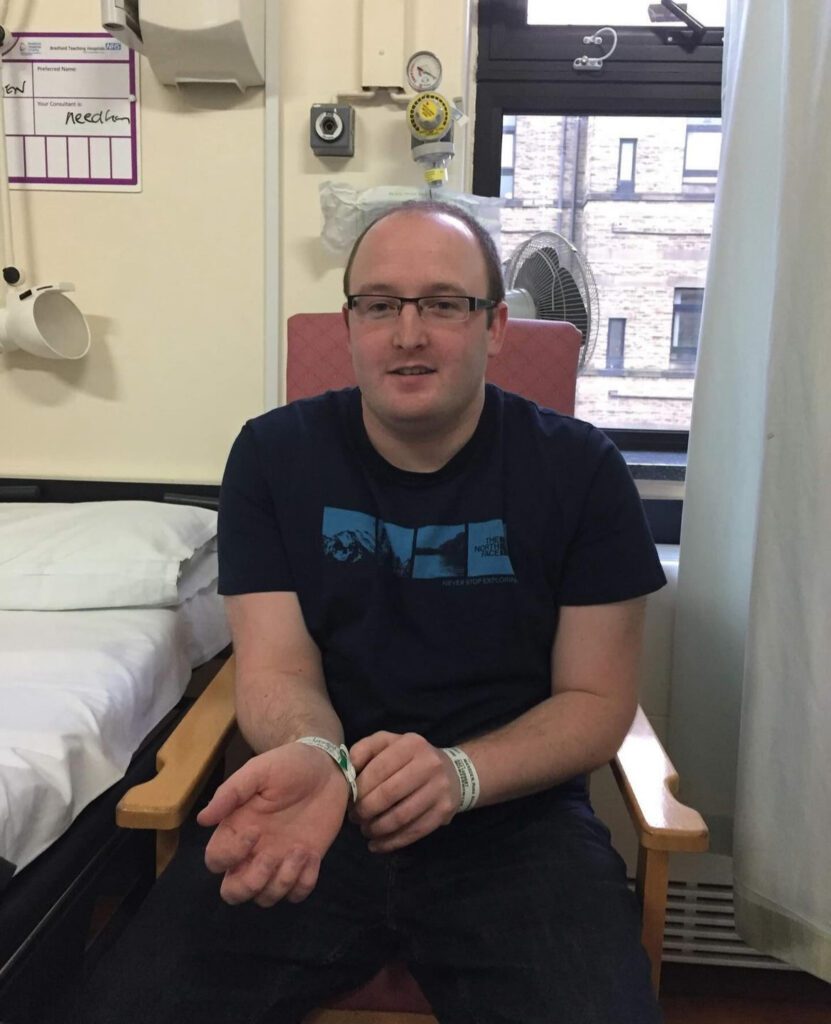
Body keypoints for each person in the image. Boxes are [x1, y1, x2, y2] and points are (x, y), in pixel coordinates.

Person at [81, 200, 666, 1023]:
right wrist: (321, 755)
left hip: (511, 826)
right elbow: (278, 667)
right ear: (350, 323)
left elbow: (596, 703)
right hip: (314, 807)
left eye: (442, 304)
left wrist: (459, 774)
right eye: (381, 304)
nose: (408, 332)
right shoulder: (273, 457)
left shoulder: (581, 471)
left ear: (495, 325)